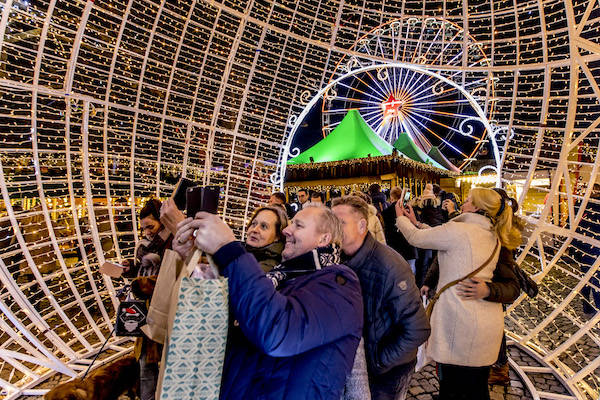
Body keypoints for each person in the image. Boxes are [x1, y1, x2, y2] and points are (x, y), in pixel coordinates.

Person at [173, 205, 364, 399]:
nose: (286, 231)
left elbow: (276, 331)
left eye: (298, 225)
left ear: (323, 239)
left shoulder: (340, 284)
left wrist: (228, 248)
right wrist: (194, 260)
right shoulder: (282, 277)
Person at [395, 187, 522, 400]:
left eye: (468, 200)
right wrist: (416, 221)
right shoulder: (492, 233)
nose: (462, 203)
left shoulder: (458, 230)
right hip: (485, 325)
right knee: (476, 387)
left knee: (452, 387)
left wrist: (401, 218)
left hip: (460, 324)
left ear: (477, 207)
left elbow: (417, 238)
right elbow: (443, 239)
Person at [332, 196, 430, 400]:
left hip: (387, 373)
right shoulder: (337, 258)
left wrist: (377, 362)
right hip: (355, 365)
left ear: (361, 225)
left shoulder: (389, 265)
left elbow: (418, 328)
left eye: (339, 223)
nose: (332, 229)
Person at [411, 183, 444, 287]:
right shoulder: (437, 207)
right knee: (434, 261)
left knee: (422, 263)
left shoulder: (419, 208)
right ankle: (431, 283)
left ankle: (421, 284)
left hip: (425, 236)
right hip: (437, 235)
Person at [382, 187, 417, 274]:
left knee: (397, 273)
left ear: (392, 197)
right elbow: (416, 224)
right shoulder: (409, 209)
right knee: (411, 270)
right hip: (409, 245)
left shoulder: (386, 213)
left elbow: (385, 230)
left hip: (394, 247)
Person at [245, 205, 288, 272]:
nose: (255, 230)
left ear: (277, 236)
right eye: (254, 224)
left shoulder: (268, 267)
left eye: (263, 226)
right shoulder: (244, 251)